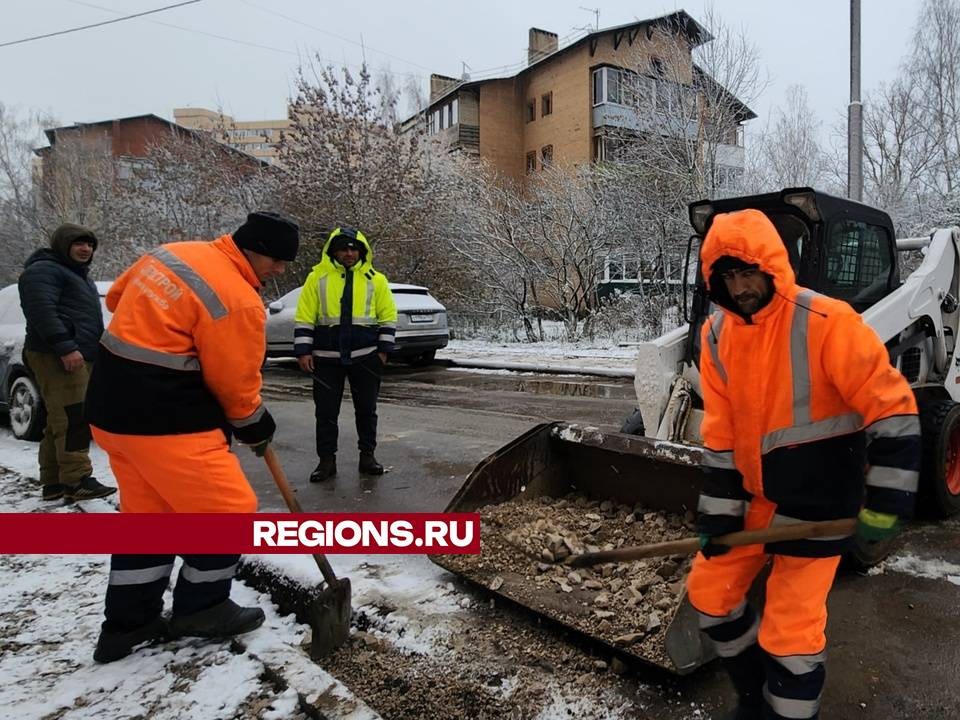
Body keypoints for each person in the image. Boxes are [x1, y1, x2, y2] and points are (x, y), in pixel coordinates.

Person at [686, 209, 920, 720]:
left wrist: (886, 502)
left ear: (772, 265)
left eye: (749, 272)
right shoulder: (715, 335)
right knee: (710, 592)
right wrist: (718, 515)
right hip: (759, 500)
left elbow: (893, 408)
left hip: (820, 504)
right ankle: (754, 697)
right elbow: (721, 435)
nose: (741, 287)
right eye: (728, 276)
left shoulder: (826, 322)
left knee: (789, 633)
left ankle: (789, 714)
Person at [85, 211, 299, 663]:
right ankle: (203, 608)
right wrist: (254, 423)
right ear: (253, 248)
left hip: (110, 410)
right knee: (230, 511)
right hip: (165, 420)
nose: (280, 270)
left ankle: (128, 624)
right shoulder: (237, 299)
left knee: (151, 520)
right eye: (277, 261)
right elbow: (235, 384)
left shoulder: (175, 253)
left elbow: (116, 298)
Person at [18, 223, 114, 502]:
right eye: (79, 244)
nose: (86, 249)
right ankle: (77, 480)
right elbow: (41, 311)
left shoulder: (75, 274)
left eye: (90, 245)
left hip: (76, 352)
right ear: (63, 245)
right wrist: (66, 347)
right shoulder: (44, 270)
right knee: (74, 417)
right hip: (56, 355)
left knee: (58, 419)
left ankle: (54, 483)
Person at [294, 226, 397, 483]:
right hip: (326, 359)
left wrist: (383, 351)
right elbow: (305, 317)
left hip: (366, 357)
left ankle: (368, 457)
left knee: (367, 410)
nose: (349, 253)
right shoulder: (316, 278)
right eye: (344, 248)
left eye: (354, 248)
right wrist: (303, 351)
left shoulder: (376, 279)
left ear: (361, 251)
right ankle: (326, 461)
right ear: (334, 251)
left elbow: (388, 316)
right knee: (326, 413)